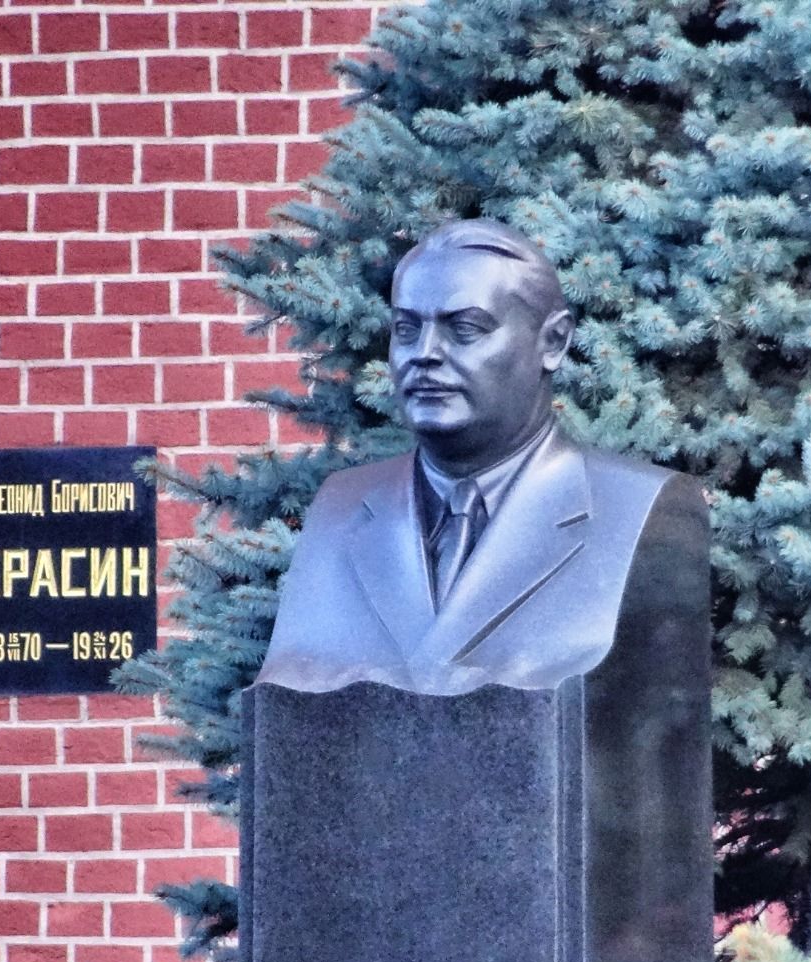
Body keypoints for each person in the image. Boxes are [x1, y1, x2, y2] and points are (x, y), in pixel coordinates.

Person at [257, 218, 691, 695]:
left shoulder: (637, 506)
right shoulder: (340, 510)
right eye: (406, 329)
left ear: (553, 342)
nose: (424, 353)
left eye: (464, 329)